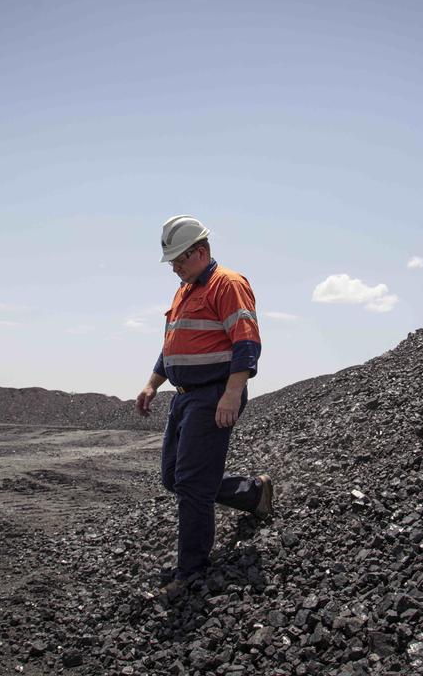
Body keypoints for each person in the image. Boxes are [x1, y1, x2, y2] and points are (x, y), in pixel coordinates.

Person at [136, 215, 273, 589]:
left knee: (193, 484)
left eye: (180, 259)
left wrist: (232, 393)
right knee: (174, 478)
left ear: (202, 251)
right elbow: (173, 346)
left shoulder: (227, 284)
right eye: (173, 262)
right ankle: (253, 493)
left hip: (214, 393)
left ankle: (191, 571)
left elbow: (247, 342)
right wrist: (152, 384)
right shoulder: (184, 290)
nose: (175, 268)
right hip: (184, 397)